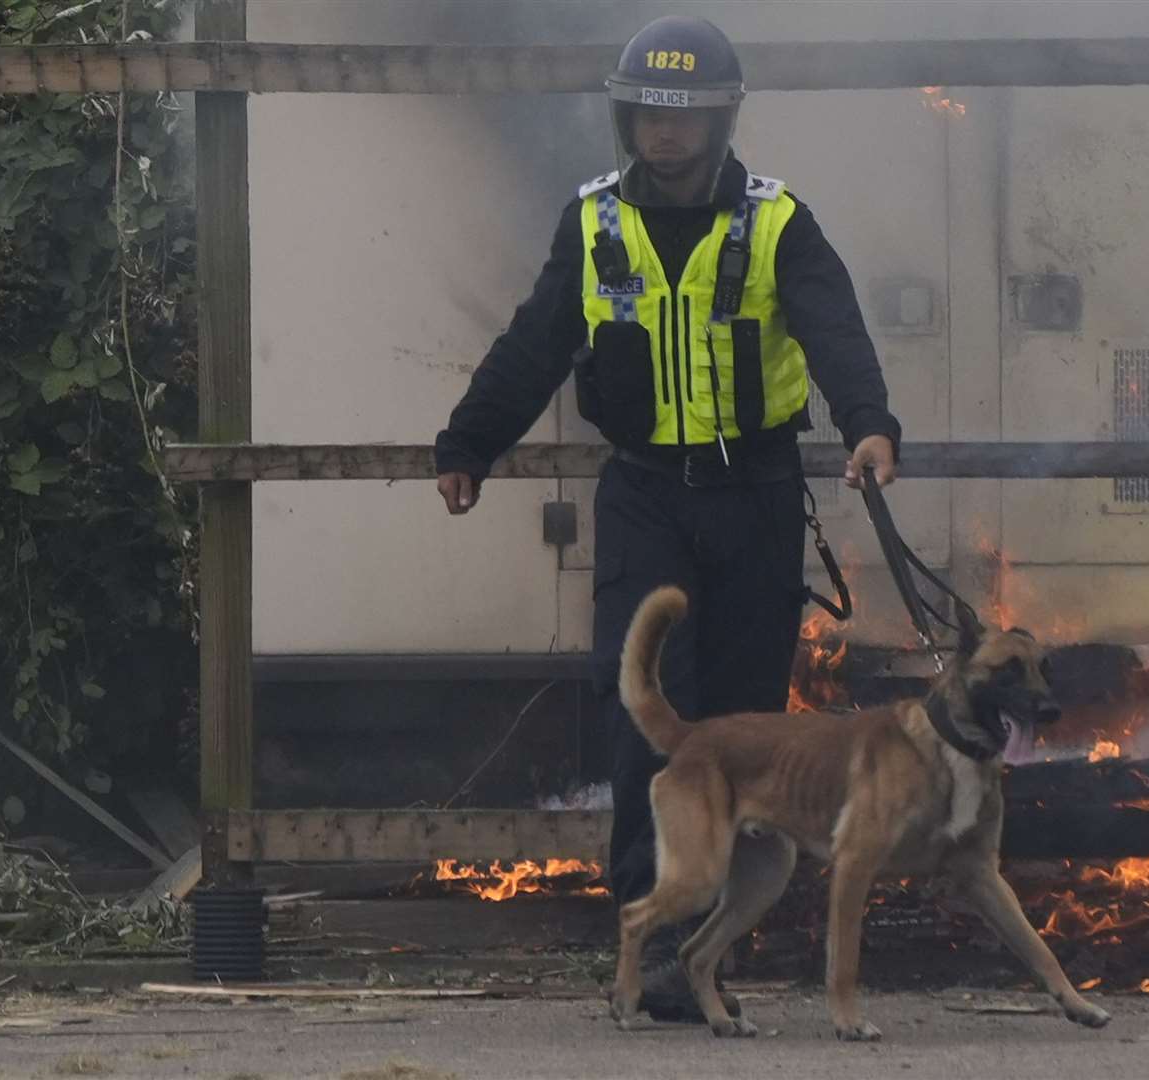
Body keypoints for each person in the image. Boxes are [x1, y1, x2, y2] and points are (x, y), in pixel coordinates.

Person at [434, 14, 900, 1020]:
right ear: (625, 118)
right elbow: (535, 342)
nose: (665, 134)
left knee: (738, 723)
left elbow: (834, 330)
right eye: (648, 114)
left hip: (758, 496)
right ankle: (651, 943)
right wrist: (470, 443)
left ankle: (707, 953)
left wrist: (870, 425)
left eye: (685, 116)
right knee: (643, 704)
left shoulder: (780, 222)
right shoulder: (593, 219)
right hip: (644, 492)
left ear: (724, 119)